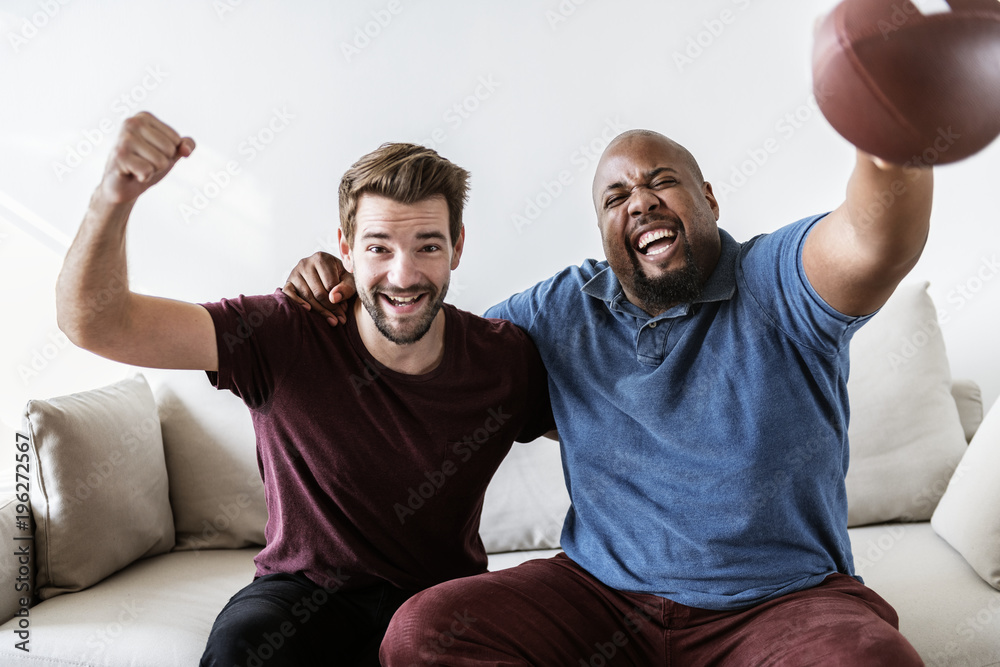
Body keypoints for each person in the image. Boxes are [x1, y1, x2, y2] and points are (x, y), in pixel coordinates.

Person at [284, 128, 932, 664]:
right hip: (604, 598)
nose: (640, 202)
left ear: (708, 197)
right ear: (603, 231)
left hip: (776, 602)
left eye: (662, 181)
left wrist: (892, 129)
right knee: (422, 634)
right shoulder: (560, 308)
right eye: (616, 196)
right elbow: (429, 355)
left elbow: (874, 237)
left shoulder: (776, 280)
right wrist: (350, 288)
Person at [54, 111, 553, 667]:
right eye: (379, 247)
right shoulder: (284, 331)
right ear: (345, 246)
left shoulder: (503, 359)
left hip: (439, 603)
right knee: (245, 649)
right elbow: (97, 324)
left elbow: (605, 436)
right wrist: (112, 198)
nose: (404, 274)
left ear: (458, 247)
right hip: (303, 595)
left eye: (428, 247)